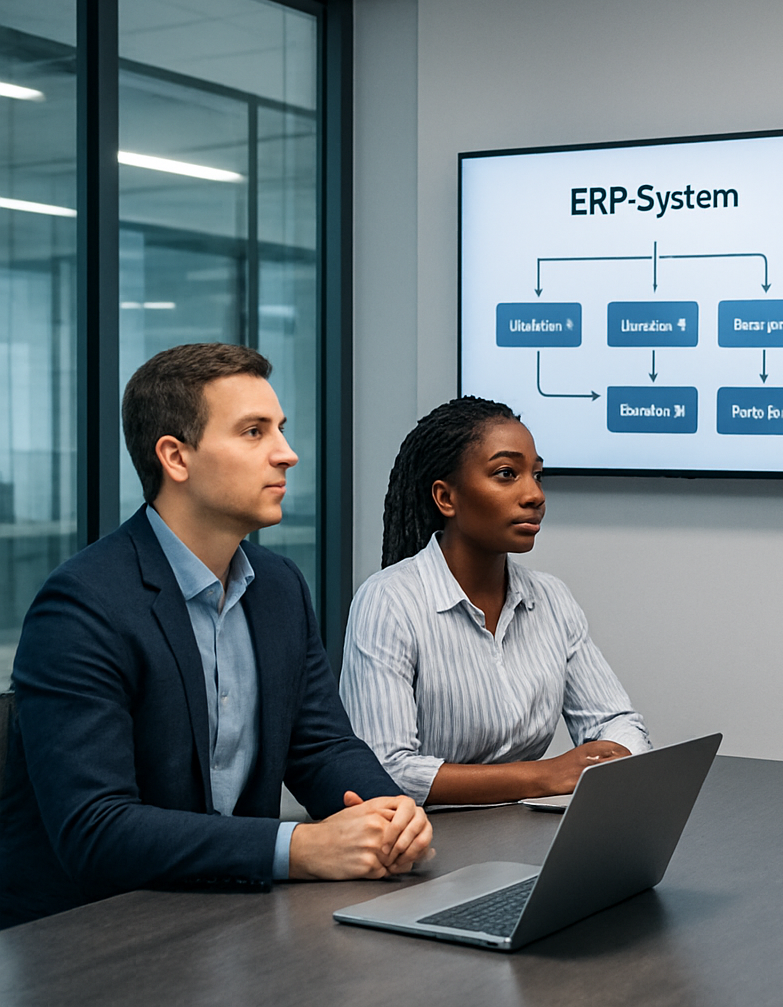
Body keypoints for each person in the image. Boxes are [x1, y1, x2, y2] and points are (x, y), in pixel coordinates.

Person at [0, 344, 433, 930]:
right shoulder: (82, 604)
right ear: (176, 457)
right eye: (254, 432)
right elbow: (96, 829)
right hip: (94, 937)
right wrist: (298, 848)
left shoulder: (278, 586)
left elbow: (321, 747)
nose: (287, 454)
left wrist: (391, 813)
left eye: (280, 429)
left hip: (231, 918)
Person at [340, 397, 650, 806]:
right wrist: (544, 775)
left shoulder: (552, 598)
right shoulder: (388, 602)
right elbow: (386, 769)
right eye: (507, 474)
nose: (534, 495)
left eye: (537, 475)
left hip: (530, 833)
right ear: (445, 498)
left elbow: (616, 720)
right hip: (425, 840)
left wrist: (619, 755)